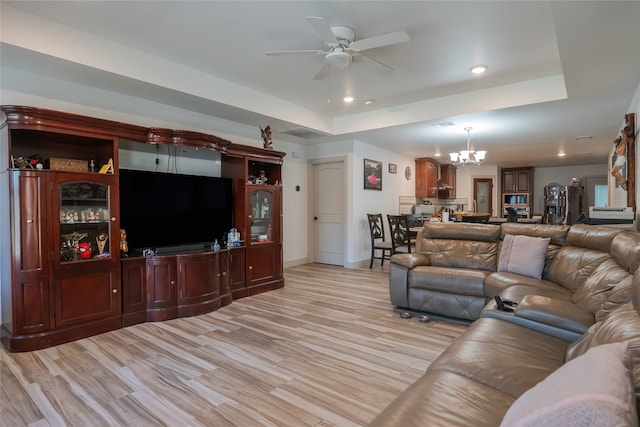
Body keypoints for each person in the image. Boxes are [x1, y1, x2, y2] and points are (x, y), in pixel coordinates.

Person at [611, 125, 632, 191]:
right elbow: (623, 140)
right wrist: (622, 134)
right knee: (613, 172)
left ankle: (622, 182)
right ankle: (621, 181)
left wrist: (623, 133)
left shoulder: (622, 146)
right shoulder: (618, 147)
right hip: (619, 159)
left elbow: (624, 139)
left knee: (614, 171)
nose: (616, 144)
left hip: (621, 158)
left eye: (617, 142)